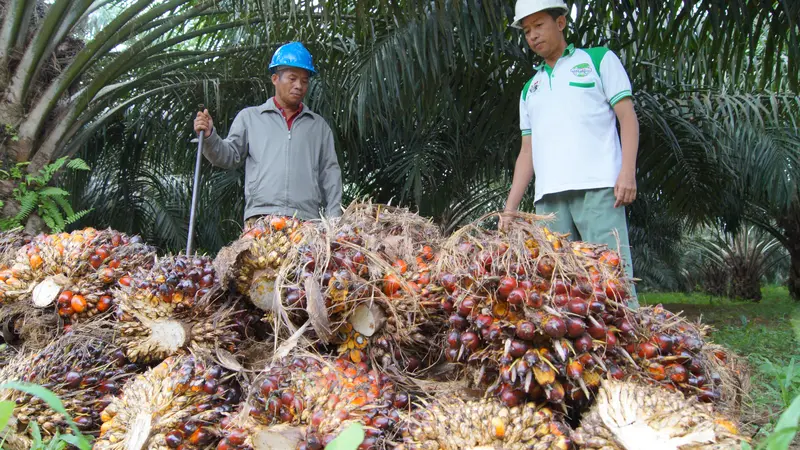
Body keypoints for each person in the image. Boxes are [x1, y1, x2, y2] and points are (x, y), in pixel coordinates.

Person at [500, 0, 640, 308]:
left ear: (560, 22)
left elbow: (627, 117)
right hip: (548, 202)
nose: (532, 36)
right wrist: (511, 207)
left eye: (539, 25)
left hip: (600, 190)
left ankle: (629, 341)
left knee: (612, 279)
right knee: (556, 288)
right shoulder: (530, 89)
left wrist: (627, 172)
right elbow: (527, 152)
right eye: (526, 31)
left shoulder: (598, 60)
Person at [193, 42, 343, 228]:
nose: (299, 86)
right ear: (275, 79)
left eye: (304, 81)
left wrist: (334, 220)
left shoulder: (319, 127)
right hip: (261, 219)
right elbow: (227, 156)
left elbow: (330, 174)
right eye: (292, 78)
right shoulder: (250, 118)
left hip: (307, 223)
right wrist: (209, 136)